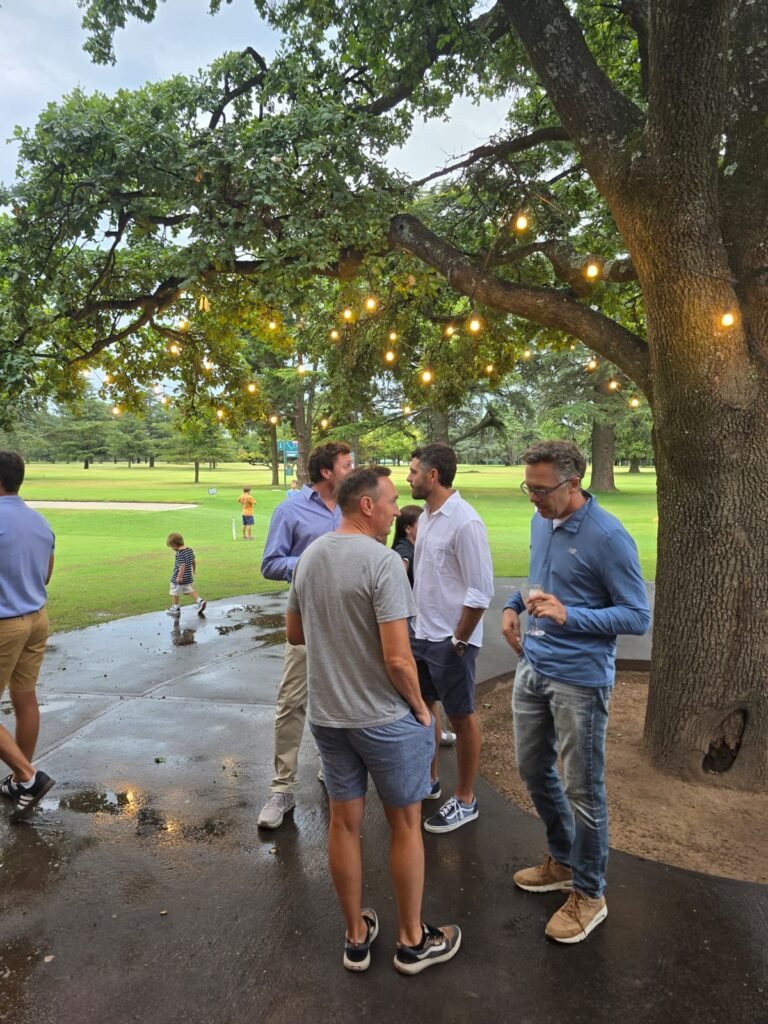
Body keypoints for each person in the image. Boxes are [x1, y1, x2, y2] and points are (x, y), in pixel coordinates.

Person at [286, 465, 461, 975]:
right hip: (384, 718)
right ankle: (412, 941)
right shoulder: (383, 562)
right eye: (389, 502)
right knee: (405, 824)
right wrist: (422, 709)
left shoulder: (310, 557)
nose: (395, 511)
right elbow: (399, 660)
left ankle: (355, 937)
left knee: (344, 823)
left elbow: (295, 633)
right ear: (366, 505)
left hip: (329, 717)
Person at [501, 440, 651, 944]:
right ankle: (563, 861)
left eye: (541, 490)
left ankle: (590, 893)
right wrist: (512, 605)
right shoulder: (541, 521)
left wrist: (571, 615)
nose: (533, 498)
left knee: (583, 790)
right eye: (528, 487)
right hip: (533, 667)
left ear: (573, 483)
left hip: (580, 681)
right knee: (532, 769)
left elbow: (637, 615)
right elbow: (538, 580)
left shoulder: (608, 536)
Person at [257, 441, 354, 829]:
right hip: (308, 618)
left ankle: (331, 768)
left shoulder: (352, 507)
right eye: (347, 465)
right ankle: (282, 788)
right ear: (327, 472)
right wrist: (313, 561)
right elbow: (270, 563)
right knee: (292, 701)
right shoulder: (290, 510)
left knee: (340, 699)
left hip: (349, 621)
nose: (352, 470)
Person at [407, 444, 495, 835]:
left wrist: (459, 640)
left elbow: (481, 590)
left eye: (413, 471)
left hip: (450, 640)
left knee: (461, 715)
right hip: (422, 633)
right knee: (423, 706)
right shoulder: (426, 517)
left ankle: (466, 799)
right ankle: (430, 781)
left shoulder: (465, 522)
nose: (408, 477)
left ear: (433, 475)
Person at [0, 450, 57, 820]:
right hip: (36, 619)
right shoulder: (40, 521)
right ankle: (22, 779)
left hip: (4, 624)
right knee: (25, 699)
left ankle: (27, 775)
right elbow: (46, 576)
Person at [392, 505, 457, 750]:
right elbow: (400, 570)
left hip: (417, 624)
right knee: (420, 691)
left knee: (427, 692)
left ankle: (435, 733)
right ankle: (426, 737)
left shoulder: (415, 547)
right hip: (410, 625)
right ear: (409, 528)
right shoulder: (404, 549)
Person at [165, 533, 206, 617]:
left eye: (172, 547)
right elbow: (193, 561)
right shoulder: (189, 550)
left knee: (174, 591)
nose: (172, 549)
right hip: (188, 577)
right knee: (189, 589)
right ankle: (200, 601)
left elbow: (182, 565)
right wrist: (194, 570)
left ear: (174, 545)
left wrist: (179, 577)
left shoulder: (179, 553)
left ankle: (176, 608)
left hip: (179, 577)